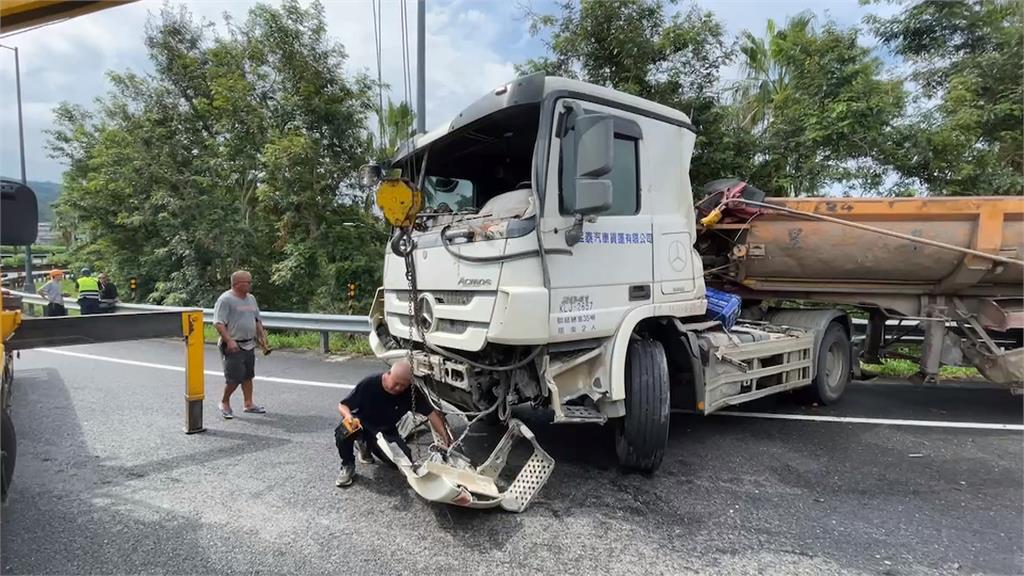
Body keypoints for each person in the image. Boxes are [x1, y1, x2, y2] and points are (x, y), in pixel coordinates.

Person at [334, 360, 452, 487]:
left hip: (385, 430)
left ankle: (367, 446)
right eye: (396, 383)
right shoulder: (370, 383)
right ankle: (347, 465)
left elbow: (432, 415)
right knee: (344, 430)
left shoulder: (411, 392)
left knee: (403, 463)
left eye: (403, 386)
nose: (398, 388)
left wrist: (445, 437)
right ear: (388, 374)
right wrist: (348, 416)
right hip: (362, 423)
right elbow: (343, 405)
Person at [213, 270, 267, 419]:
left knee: (248, 375)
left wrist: (262, 336)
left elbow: (256, 319)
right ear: (237, 284)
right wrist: (229, 340)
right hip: (233, 344)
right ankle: (224, 402)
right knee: (234, 378)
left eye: (250, 282)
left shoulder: (251, 299)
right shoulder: (225, 300)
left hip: (249, 343)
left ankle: (248, 404)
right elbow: (218, 323)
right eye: (247, 282)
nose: (250, 285)